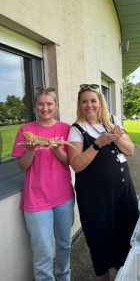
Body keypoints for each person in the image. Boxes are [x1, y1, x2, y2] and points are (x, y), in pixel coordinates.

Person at [67, 84, 139, 280]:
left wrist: (115, 138)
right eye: (84, 101)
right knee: (101, 238)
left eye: (93, 100)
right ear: (79, 105)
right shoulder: (76, 129)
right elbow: (77, 164)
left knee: (127, 232)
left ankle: (126, 274)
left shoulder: (113, 121)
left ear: (100, 102)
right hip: (95, 197)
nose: (89, 105)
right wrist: (98, 143)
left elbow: (130, 150)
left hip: (124, 192)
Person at [11, 87, 75, 281]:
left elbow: (69, 162)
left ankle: (63, 277)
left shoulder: (65, 128)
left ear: (55, 105)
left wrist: (56, 149)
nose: (45, 108)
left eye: (49, 104)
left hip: (63, 196)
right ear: (35, 106)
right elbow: (23, 166)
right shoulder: (25, 130)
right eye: (40, 104)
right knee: (43, 252)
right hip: (36, 199)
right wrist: (30, 151)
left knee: (64, 245)